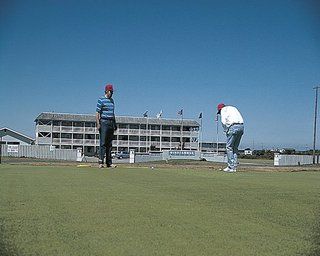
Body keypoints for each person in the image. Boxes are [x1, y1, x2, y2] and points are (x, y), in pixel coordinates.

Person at [217, 103, 244, 173]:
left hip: (233, 127)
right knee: (235, 148)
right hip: (241, 127)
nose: (220, 113)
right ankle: (234, 167)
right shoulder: (233, 107)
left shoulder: (223, 110)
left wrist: (226, 130)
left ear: (220, 109)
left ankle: (230, 167)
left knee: (229, 147)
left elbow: (223, 121)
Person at [96, 84, 117, 168]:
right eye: (110, 91)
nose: (112, 93)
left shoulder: (112, 101)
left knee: (109, 144)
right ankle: (100, 162)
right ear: (106, 91)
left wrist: (115, 123)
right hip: (104, 122)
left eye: (112, 92)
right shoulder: (101, 100)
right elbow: (97, 112)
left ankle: (109, 163)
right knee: (103, 143)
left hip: (111, 122)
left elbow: (113, 113)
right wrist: (98, 123)